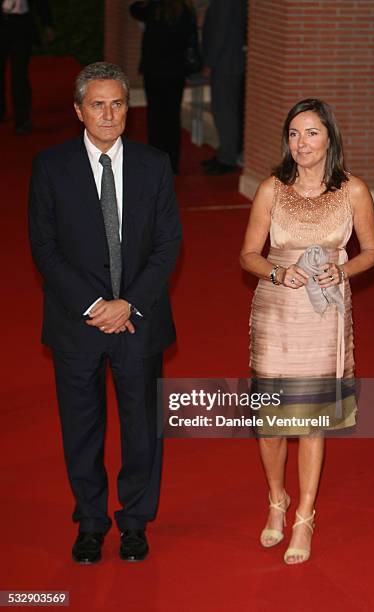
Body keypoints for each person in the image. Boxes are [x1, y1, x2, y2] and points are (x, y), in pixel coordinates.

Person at [28, 62, 182, 564]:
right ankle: (91, 522)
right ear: (79, 111)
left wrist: (127, 304)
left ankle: (135, 522)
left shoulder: (154, 163)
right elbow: (44, 248)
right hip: (78, 323)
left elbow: (167, 244)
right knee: (82, 428)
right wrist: (97, 306)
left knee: (142, 430)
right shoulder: (50, 167)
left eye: (118, 102)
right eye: (98, 104)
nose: (109, 113)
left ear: (128, 108)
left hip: (139, 318)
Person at [240, 99, 374, 565]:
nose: (301, 143)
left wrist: (343, 271)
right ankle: (276, 499)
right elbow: (249, 256)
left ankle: (304, 515)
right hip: (276, 311)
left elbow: (372, 251)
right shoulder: (270, 189)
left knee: (311, 421)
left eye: (311, 133)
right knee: (271, 424)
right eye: (295, 134)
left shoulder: (354, 191)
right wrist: (278, 274)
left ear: (329, 139)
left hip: (324, 315)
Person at [130, 0, 199, 174]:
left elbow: (134, 9)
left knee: (155, 117)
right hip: (176, 71)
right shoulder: (186, 12)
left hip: (154, 71)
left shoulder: (155, 9)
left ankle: (155, 161)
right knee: (172, 118)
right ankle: (172, 163)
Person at [201, 0, 247, 175]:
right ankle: (225, 152)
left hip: (225, 64)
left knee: (224, 112)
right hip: (229, 62)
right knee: (227, 112)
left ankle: (227, 157)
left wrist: (209, 62)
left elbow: (219, 33)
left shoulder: (226, 3)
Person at [0, 0, 54, 133]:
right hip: (2, 24)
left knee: (20, 74)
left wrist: (48, 24)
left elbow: (42, 3)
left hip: (23, 27)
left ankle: (22, 120)